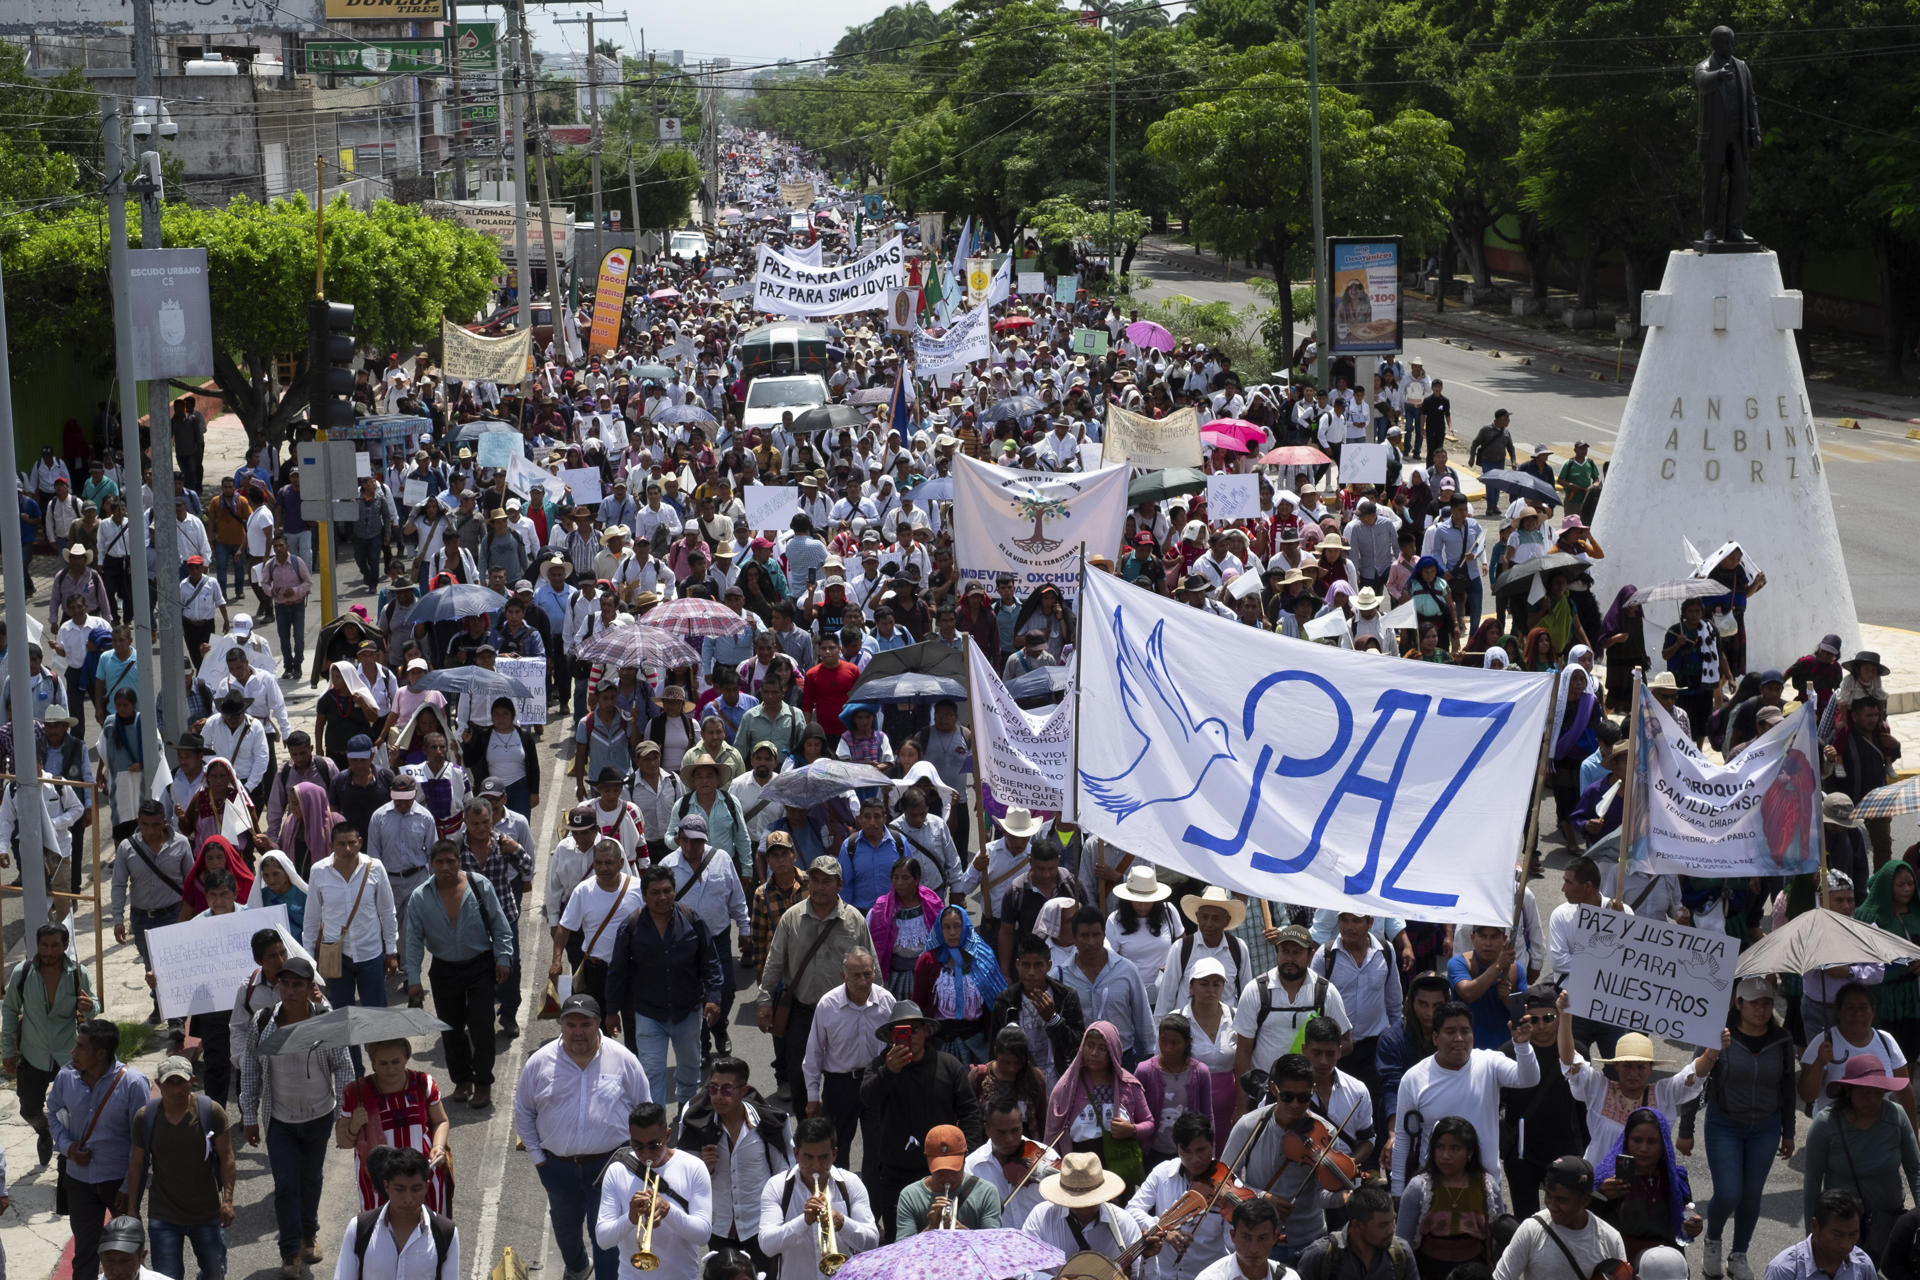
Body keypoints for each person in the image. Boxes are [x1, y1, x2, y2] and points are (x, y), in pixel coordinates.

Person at [513, 993, 653, 1280]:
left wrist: (640, 1159)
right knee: (565, 1228)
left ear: (598, 1024)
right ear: (561, 1025)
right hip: (557, 1167)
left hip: (610, 1165)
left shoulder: (623, 1059)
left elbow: (645, 1110)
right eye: (571, 1024)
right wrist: (539, 1159)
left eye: (585, 1024)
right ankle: (577, 1267)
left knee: (606, 1236)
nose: (578, 1032)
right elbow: (524, 1111)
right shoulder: (539, 1063)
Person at [236, 956, 356, 1278]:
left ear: (309, 988)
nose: (289, 991)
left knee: (311, 1178)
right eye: (284, 984)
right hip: (280, 1121)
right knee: (286, 1184)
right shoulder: (262, 1022)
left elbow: (344, 1067)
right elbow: (250, 1069)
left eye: (297, 985)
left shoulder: (325, 1021)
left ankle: (308, 1235)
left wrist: (345, 1116)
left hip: (319, 1115)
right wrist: (249, 1115)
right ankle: (289, 1252)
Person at [1690, 976, 1798, 1280]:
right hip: (1724, 1125)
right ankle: (1713, 1241)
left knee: (1751, 1195)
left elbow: (1788, 1087)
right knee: (1728, 1192)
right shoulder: (1718, 1034)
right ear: (1738, 1004)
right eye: (1754, 1003)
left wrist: (1789, 1131)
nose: (1761, 1010)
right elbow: (1694, 1079)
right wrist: (1686, 1129)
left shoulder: (1782, 1039)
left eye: (1767, 1003)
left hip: (1766, 1127)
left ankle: (1739, 1254)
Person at [757, 855, 875, 1112]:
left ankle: (835, 1126)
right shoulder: (791, 918)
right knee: (799, 1075)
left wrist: (879, 1009)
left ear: (839, 885)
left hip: (843, 1013)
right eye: (815, 880)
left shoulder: (854, 920)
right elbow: (774, 962)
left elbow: (871, 965)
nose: (819, 887)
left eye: (827, 881)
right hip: (802, 1012)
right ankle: (806, 1127)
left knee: (840, 1076)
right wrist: (765, 1001)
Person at [859, 1000, 984, 1239]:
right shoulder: (879, 1066)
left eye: (914, 1029)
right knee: (899, 1243)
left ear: (926, 1031)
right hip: (895, 1173)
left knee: (946, 1238)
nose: (910, 1037)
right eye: (901, 1031)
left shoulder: (948, 1065)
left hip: (942, 1172)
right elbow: (867, 1099)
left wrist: (964, 1155)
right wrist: (889, 1072)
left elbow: (970, 1113)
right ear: (891, 1036)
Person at [404, 839, 514, 1107]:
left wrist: (503, 958)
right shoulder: (420, 897)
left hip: (480, 966)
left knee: (481, 1024)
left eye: (450, 861)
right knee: (451, 1028)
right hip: (444, 969)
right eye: (439, 862)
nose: (445, 867)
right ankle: (462, 1081)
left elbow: (500, 925)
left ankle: (483, 1082)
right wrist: (414, 979)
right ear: (431, 864)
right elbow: (413, 940)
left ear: (459, 862)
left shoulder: (479, 885)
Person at [1390, 1001, 1538, 1196]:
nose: (1459, 1038)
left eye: (1465, 1031)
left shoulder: (1490, 1063)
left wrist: (1522, 1044)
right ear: (1435, 1037)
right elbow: (1403, 1138)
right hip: (1434, 1190)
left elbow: (1529, 1078)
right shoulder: (1413, 1078)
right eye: (1450, 1032)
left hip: (1485, 1189)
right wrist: (1397, 1191)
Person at [605, 865, 724, 1104]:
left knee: (690, 1071)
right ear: (644, 896)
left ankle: (686, 1115)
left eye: (667, 891)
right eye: (655, 892)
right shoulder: (631, 926)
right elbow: (617, 971)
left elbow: (711, 961)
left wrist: (714, 998)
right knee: (651, 1073)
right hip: (649, 1014)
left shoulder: (692, 920)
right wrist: (611, 1011)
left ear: (674, 891)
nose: (662, 897)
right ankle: (656, 1122)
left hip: (688, 1011)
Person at [1556, 989, 1713, 1166]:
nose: (1634, 1073)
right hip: (1599, 1180)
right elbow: (1569, 1060)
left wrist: (1713, 1050)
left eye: (1641, 1067)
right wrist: (1565, 1016)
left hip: (1647, 1181)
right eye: (1627, 1066)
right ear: (1616, 1066)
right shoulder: (1598, 1089)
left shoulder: (1663, 1094)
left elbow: (1694, 1073)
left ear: (1650, 1068)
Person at [50, 1018, 153, 1280]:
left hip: (118, 1184)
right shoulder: (65, 1078)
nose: (73, 1051)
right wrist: (67, 1147)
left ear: (100, 1053)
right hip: (79, 1182)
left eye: (80, 1047)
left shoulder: (133, 1083)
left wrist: (127, 1189)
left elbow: (140, 1143)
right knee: (85, 1254)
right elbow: (52, 1113)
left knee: (127, 1253)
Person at [125, 1054, 236, 1280]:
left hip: (206, 1213)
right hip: (163, 1214)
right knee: (167, 1277)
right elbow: (136, 1164)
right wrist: (132, 1209)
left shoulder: (211, 1112)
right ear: (158, 1083)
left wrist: (227, 1200)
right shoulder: (145, 1118)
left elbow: (227, 1157)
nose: (176, 1089)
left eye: (181, 1082)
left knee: (215, 1273)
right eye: (170, 1082)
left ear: (192, 1080)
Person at [675, 1056, 792, 1265]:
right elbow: (683, 1181)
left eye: (727, 1089)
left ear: (744, 1090)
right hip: (719, 1227)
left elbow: (784, 1173)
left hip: (761, 1225)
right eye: (713, 1089)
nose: (718, 1096)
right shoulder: (695, 1126)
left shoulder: (768, 1124)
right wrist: (704, 1169)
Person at [301, 824, 398, 1075]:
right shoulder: (319, 871)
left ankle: (381, 1072)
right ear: (331, 845)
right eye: (341, 844)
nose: (347, 848)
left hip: (370, 953)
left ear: (360, 842)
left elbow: (387, 912)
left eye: (351, 843)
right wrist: (308, 961)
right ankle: (354, 1074)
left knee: (376, 1017)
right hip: (335, 957)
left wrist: (391, 950)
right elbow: (311, 918)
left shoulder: (375, 868)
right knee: (342, 1019)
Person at [1803, 1053, 1920, 1262]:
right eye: (1865, 1093)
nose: (1873, 1100)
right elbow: (1812, 1182)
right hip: (1841, 1223)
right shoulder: (1825, 1124)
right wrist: (1812, 1236)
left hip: (1887, 1219)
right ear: (1848, 1091)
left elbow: (1915, 1169)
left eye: (1878, 1093)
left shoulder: (1896, 1116)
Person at [1231, 924, 1352, 1118]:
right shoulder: (1255, 990)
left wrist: (1317, 1054)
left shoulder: (1326, 992)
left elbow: (1346, 1043)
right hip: (1264, 1096)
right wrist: (1241, 1106)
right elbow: (1243, 1051)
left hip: (1310, 1099)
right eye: (1285, 951)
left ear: (1310, 955)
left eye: (1296, 952)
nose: (1289, 958)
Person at [659, 811, 752, 1060]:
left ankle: (719, 1028)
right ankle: (701, 1043)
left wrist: (744, 929)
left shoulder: (721, 859)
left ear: (705, 840)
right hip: (683, 942)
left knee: (726, 989)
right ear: (678, 839)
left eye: (697, 841)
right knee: (693, 996)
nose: (691, 846)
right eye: (686, 840)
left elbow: (737, 898)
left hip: (718, 938)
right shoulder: (667, 866)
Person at [2, 922, 96, 1167]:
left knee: (74, 1110)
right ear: (37, 945)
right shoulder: (22, 973)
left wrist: (90, 1007)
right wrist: (7, 1051)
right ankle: (44, 1132)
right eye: (44, 945)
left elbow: (93, 1007)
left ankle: (69, 1153)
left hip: (68, 1055)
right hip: (33, 1054)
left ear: (65, 945)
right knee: (29, 1109)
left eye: (55, 946)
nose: (49, 952)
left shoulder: (78, 973)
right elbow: (10, 1010)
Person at [594, 1101, 714, 1280]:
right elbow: (603, 1240)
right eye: (637, 1146)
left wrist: (668, 1211)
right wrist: (630, 1218)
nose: (646, 1154)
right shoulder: (617, 1171)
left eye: (654, 1145)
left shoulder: (693, 1167)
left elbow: (703, 1235)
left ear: (667, 1135)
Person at [336, 1038, 453, 1213]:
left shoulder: (423, 1083)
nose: (390, 1069)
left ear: (406, 1057)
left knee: (428, 1226)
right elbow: (343, 1142)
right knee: (383, 1228)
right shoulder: (355, 1093)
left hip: (423, 1175)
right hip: (379, 1183)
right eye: (383, 1063)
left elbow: (441, 1121)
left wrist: (438, 1146)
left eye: (395, 1062)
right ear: (373, 1063)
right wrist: (354, 1125)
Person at [756, 1116, 880, 1280]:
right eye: (808, 1157)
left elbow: (872, 1242)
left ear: (834, 1154)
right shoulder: (777, 1187)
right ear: (796, 1153)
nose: (816, 1166)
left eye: (823, 1157)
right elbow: (767, 1245)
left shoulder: (851, 1183)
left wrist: (843, 1223)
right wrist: (804, 1221)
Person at [802, 947, 894, 1162]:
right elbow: (814, 1052)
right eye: (856, 975)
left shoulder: (887, 1002)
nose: (863, 981)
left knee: (877, 1151)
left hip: (876, 1082)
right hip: (840, 1086)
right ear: (843, 976)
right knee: (837, 1150)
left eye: (867, 974)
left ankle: (872, 1185)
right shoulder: (828, 1005)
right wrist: (812, 1097)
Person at [1124, 1110, 1235, 1278]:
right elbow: (1132, 1210)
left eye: (1201, 1150)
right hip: (1164, 1275)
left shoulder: (1227, 1183)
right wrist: (1160, 1229)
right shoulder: (1162, 1173)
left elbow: (1232, 1245)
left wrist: (1232, 1213)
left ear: (1212, 1145)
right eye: (1186, 1151)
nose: (1195, 1159)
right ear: (1177, 1148)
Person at [1394, 1114, 1505, 1280]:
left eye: (1454, 1148)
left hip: (1473, 1272)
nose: (1445, 1155)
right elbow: (1403, 1241)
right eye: (1440, 1147)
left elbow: (1498, 1238)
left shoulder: (1487, 1187)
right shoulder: (1418, 1188)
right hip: (1428, 1271)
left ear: (1470, 1152)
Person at [111, 799, 192, 1023]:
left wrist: (189, 914)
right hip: (142, 919)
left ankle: (175, 1018)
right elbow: (118, 884)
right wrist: (118, 919)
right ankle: (159, 1003)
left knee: (171, 967)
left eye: (155, 825)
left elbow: (190, 881)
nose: (150, 830)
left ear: (164, 822)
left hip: (173, 915)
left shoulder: (181, 844)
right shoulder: (126, 848)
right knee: (151, 967)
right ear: (138, 822)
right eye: (145, 825)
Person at [1591, 1107, 1701, 1266]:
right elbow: (1584, 1222)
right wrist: (1601, 1195)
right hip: (1618, 1261)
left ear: (1664, 1144)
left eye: (1652, 1142)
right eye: (1637, 1140)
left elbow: (1685, 1214)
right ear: (1626, 1140)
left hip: (1663, 1263)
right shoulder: (1607, 1179)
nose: (1643, 1148)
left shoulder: (1675, 1180)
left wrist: (1693, 1225)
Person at [334, 1146, 459, 1280]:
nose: (408, 1199)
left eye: (416, 1189)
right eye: (400, 1189)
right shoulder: (359, 1228)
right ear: (386, 1186)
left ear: (427, 1187)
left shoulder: (446, 1233)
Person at [1492, 1157, 1627, 1280]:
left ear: (1585, 1200)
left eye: (1562, 1200)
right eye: (1548, 1195)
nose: (1552, 1205)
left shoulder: (1611, 1239)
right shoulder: (1531, 1230)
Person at [1024, 1150, 1158, 1263]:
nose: (1081, 1206)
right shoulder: (1041, 1216)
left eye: (1086, 1200)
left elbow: (1142, 1275)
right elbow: (1023, 1267)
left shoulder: (1123, 1222)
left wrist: (1146, 1258)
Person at [914, 902, 1007, 1064]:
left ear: (966, 927)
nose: (952, 933)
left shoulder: (982, 957)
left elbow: (996, 1003)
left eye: (957, 926)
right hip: (939, 1042)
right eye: (946, 927)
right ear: (940, 929)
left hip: (977, 1041)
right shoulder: (928, 961)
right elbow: (918, 1004)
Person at [893, 1122, 1003, 1237]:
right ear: (927, 1160)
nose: (947, 1177)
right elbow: (903, 1245)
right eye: (940, 1171)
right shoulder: (909, 1196)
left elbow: (993, 1242)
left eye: (953, 1169)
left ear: (964, 1157)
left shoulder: (986, 1193)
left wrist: (962, 1232)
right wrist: (931, 1229)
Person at [1295, 1185, 1413, 1280]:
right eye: (1383, 1225)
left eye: (1393, 1221)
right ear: (1357, 1225)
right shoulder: (1320, 1257)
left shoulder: (1401, 1253)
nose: (1392, 1230)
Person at [1766, 1190, 1877, 1280]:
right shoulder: (1784, 1270)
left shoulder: (1863, 1265)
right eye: (1837, 1235)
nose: (1846, 1245)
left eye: (1853, 1234)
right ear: (1815, 1226)